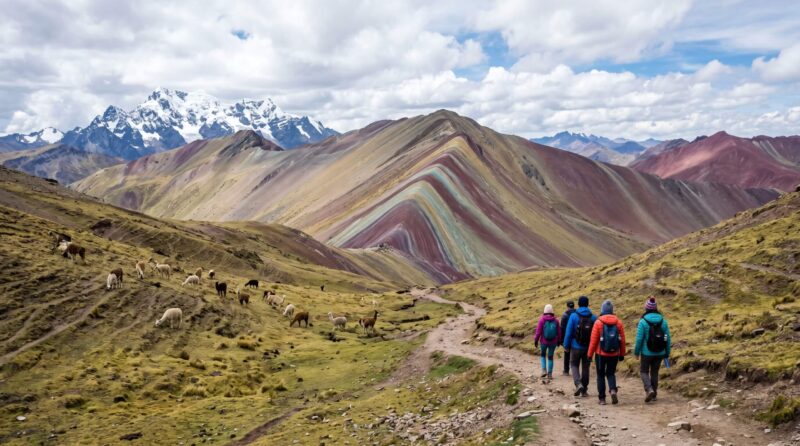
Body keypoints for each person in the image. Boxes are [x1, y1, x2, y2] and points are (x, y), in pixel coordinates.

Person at [587, 300, 626, 405]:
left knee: (600, 375)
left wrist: (589, 355)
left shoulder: (598, 322)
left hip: (600, 354)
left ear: (602, 309)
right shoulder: (618, 323)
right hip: (614, 354)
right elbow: (622, 340)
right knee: (611, 373)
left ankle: (602, 399)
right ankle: (613, 390)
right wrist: (622, 354)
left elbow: (593, 341)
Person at [634, 296, 671, 403]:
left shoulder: (643, 322)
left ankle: (649, 389)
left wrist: (636, 352)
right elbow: (667, 338)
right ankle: (654, 394)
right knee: (655, 372)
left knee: (644, 371)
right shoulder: (663, 321)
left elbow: (639, 339)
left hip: (646, 353)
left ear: (646, 308)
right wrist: (667, 353)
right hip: (660, 352)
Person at [563, 295, 596, 396]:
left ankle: (578, 384)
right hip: (588, 347)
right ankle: (584, 390)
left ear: (578, 304)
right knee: (586, 367)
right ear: (587, 304)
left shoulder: (573, 316)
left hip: (575, 346)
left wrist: (566, 345)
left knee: (574, 364)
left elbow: (568, 332)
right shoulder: (593, 317)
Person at [534, 304, 561, 380]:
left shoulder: (541, 320)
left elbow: (538, 332)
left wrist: (536, 340)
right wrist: (559, 340)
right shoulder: (556, 321)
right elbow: (559, 332)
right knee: (550, 357)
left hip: (543, 342)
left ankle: (543, 370)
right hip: (553, 342)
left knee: (543, 355)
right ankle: (550, 374)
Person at [560, 300, 575, 375]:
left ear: (567, 306)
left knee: (567, 354)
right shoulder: (577, 313)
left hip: (567, 337)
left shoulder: (565, 315)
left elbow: (562, 328)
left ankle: (566, 370)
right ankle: (576, 370)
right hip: (577, 338)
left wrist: (561, 340)